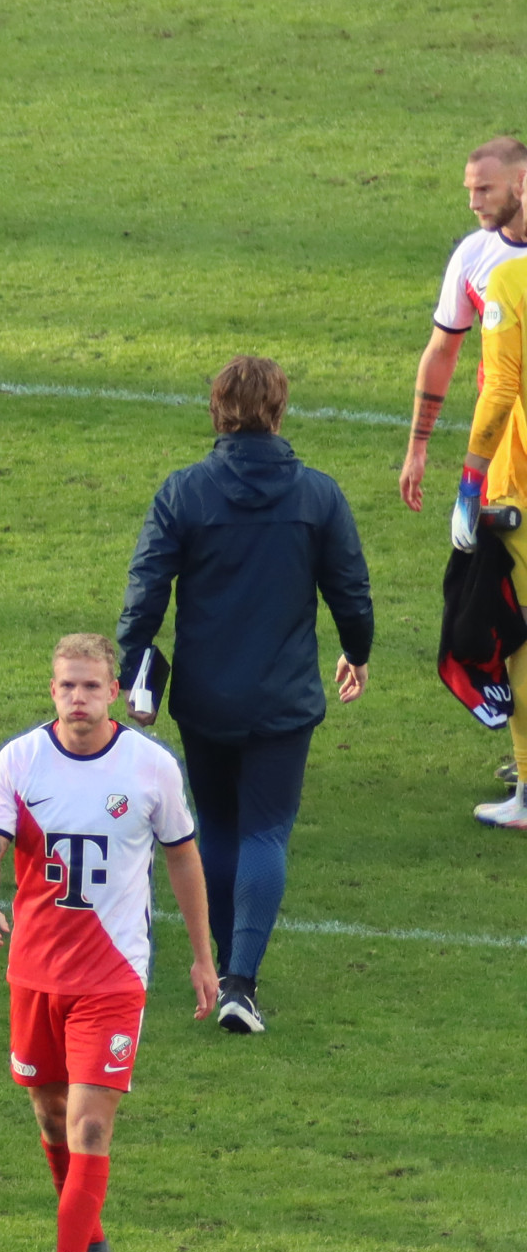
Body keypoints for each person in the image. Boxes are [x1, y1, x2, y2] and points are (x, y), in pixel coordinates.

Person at [113, 355, 373, 1034]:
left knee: (219, 828)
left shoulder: (185, 491)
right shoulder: (318, 495)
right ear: (281, 412)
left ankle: (225, 964)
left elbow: (146, 587)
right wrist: (358, 650)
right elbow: (350, 588)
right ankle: (240, 982)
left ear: (216, 411)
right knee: (265, 830)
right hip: (283, 699)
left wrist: (132, 667)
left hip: (206, 696)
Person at [0, 635, 216, 1252]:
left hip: (112, 978)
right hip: (36, 974)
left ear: (113, 691)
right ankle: (92, 1238)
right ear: (52, 690)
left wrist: (203, 957)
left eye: (90, 686)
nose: (78, 698)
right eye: (66, 686)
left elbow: (184, 860)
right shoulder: (21, 760)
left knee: (89, 1123)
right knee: (49, 1115)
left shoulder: (150, 768)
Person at [401, 141, 527, 819]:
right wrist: (419, 445)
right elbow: (444, 347)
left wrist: (469, 481)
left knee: (504, 618)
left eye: (485, 189)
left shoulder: (508, 279)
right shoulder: (475, 257)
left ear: (523, 183)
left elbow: (501, 384)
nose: (474, 202)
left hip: (510, 475)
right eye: (469, 190)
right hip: (507, 464)